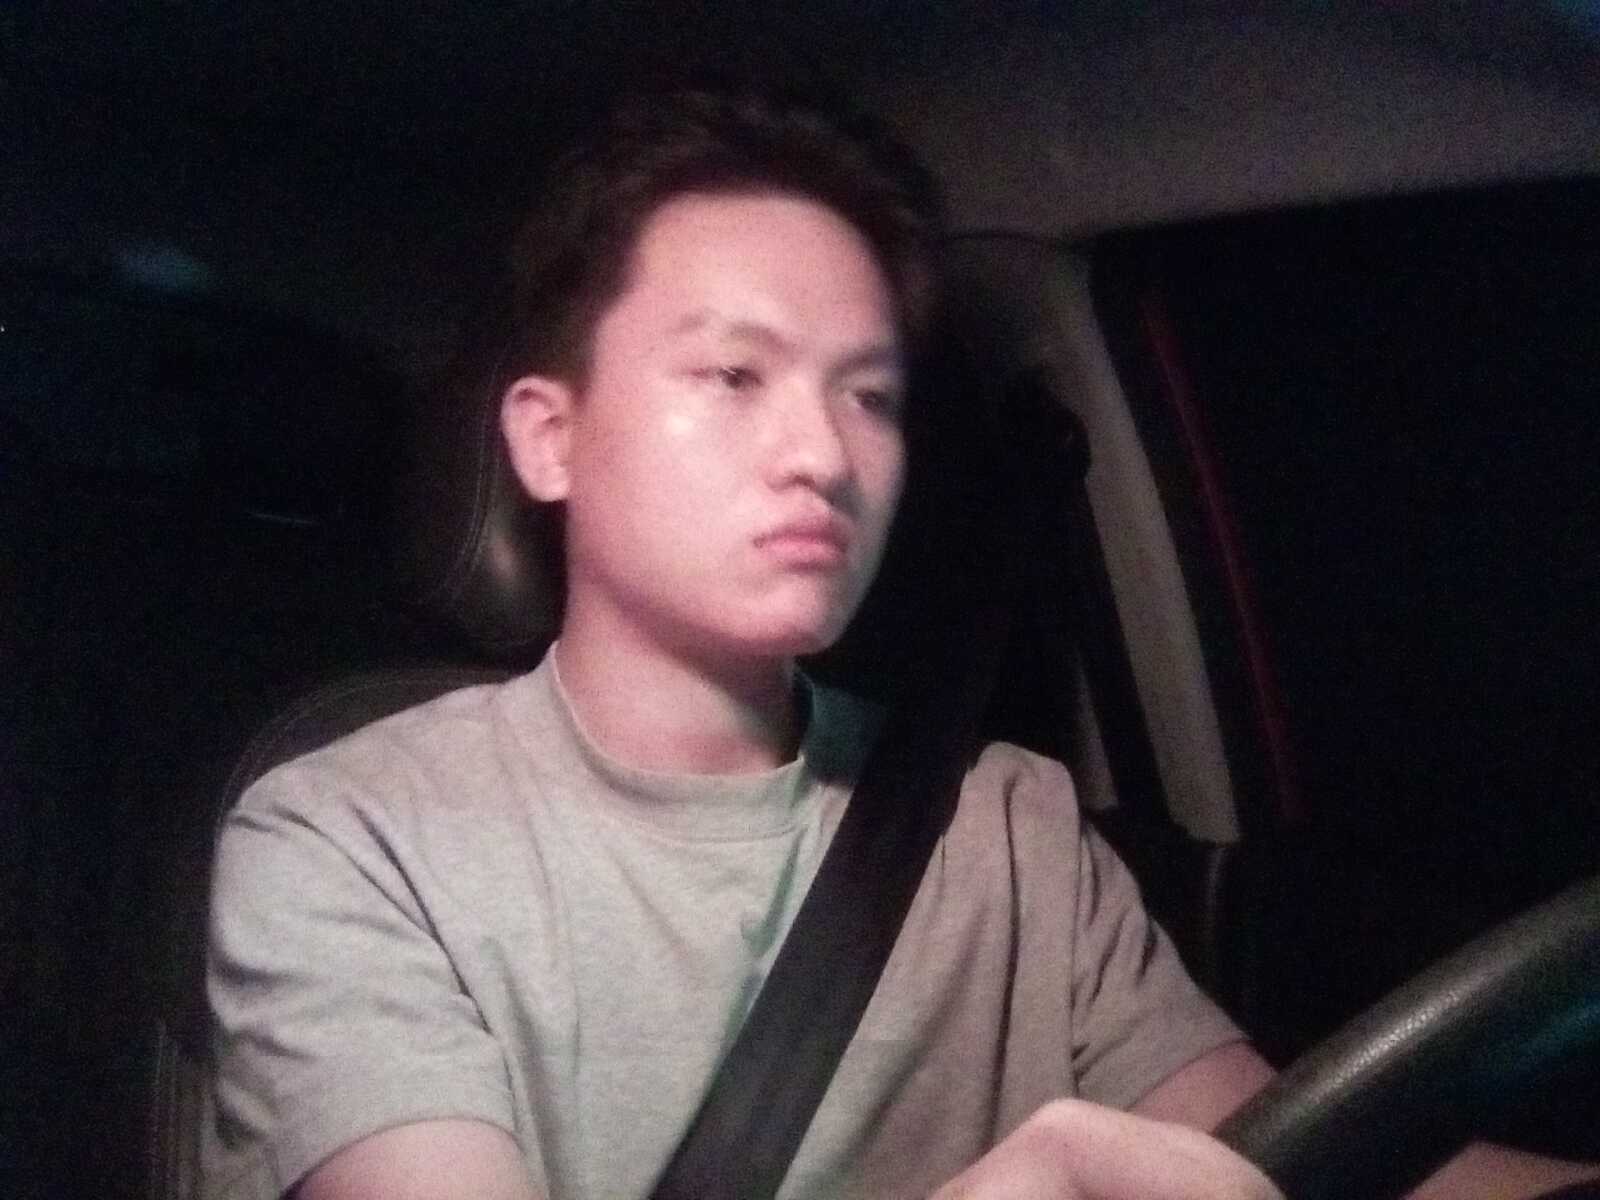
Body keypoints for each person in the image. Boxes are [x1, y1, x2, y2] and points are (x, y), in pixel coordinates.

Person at [202, 85, 1594, 1200]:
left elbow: (1292, 1148)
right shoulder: (351, 837)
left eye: (869, 396)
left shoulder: (1004, 824)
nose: (823, 454)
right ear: (548, 439)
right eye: (734, 374)